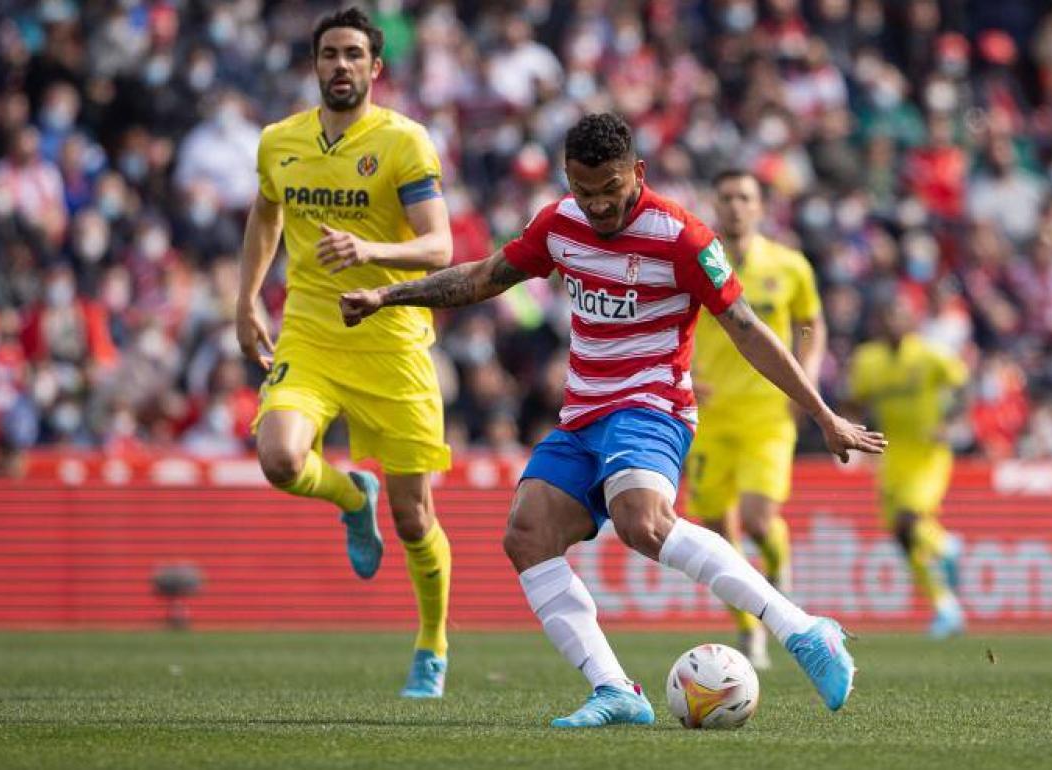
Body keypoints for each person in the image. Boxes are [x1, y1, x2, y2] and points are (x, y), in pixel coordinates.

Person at [341, 113, 885, 727]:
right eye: (583, 189)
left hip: (652, 405)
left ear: (638, 173)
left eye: (610, 188)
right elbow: (483, 278)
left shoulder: (683, 237)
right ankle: (616, 690)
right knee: (526, 535)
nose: (597, 204)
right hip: (582, 414)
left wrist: (822, 414)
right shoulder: (558, 223)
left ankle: (803, 630)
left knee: (642, 521)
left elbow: (748, 330)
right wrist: (386, 296)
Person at [236, 7, 455, 698]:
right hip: (311, 333)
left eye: (353, 54)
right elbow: (266, 213)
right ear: (314, 64)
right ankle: (350, 496)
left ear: (375, 67)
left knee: (415, 517)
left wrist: (368, 249)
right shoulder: (279, 142)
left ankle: (432, 643)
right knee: (279, 458)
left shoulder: (404, 142)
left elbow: (440, 247)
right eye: (330, 54)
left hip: (392, 341)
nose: (341, 65)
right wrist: (246, 299)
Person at [686, 169, 826, 669]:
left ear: (760, 206)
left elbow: (810, 323)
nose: (735, 206)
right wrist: (681, 371)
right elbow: (671, 321)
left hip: (768, 413)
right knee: (717, 531)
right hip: (709, 414)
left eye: (744, 197)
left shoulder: (789, 265)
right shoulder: (696, 261)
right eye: (726, 197)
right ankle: (749, 631)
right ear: (715, 205)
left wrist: (806, 377)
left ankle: (778, 566)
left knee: (756, 519)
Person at [849, 300, 967, 638]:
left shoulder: (930, 355)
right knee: (902, 537)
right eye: (886, 317)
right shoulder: (867, 360)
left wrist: (951, 422)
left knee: (909, 520)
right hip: (891, 455)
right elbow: (859, 401)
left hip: (927, 453)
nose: (892, 323)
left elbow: (963, 385)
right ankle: (945, 607)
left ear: (911, 321)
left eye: (897, 316)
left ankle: (947, 547)